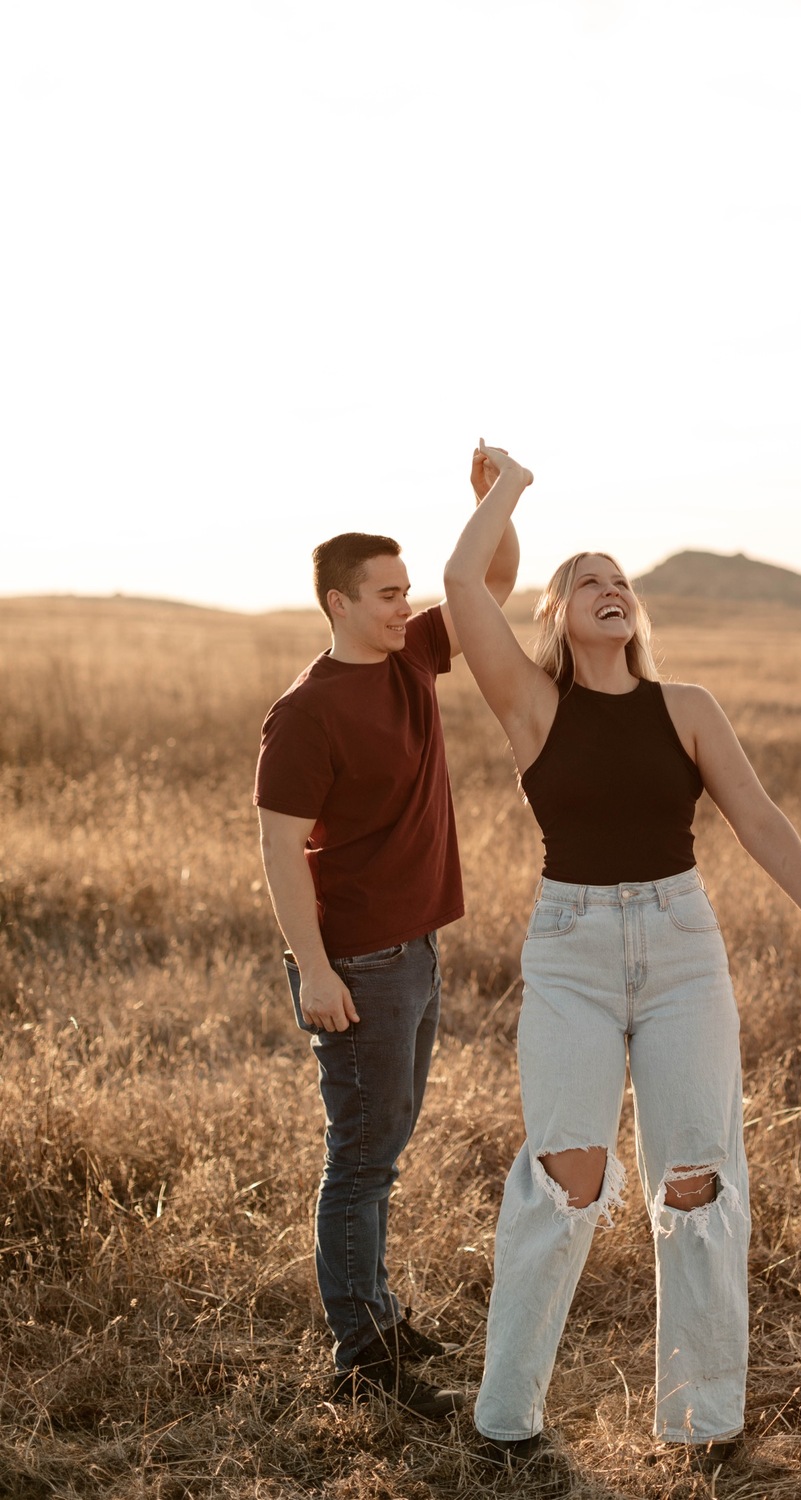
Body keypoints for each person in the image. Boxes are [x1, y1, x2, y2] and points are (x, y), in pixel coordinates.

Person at [443, 444, 801, 1463]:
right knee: (566, 1178)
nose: (609, 590)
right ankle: (507, 1423)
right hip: (571, 952)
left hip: (681, 948)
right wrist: (507, 492)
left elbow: (756, 815)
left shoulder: (688, 709)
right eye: (586, 581)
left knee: (697, 1179)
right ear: (553, 616)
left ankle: (702, 1425)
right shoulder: (534, 708)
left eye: (621, 581)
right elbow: (460, 585)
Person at [253, 451, 519, 1420]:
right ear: (335, 602)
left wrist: (492, 501)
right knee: (361, 1158)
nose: (403, 606)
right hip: (359, 963)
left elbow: (491, 581)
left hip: (415, 948)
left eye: (406, 591)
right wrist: (314, 971)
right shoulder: (306, 710)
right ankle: (361, 1351)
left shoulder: (411, 655)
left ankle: (376, 1312)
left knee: (384, 1146)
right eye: (384, 595)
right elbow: (279, 850)